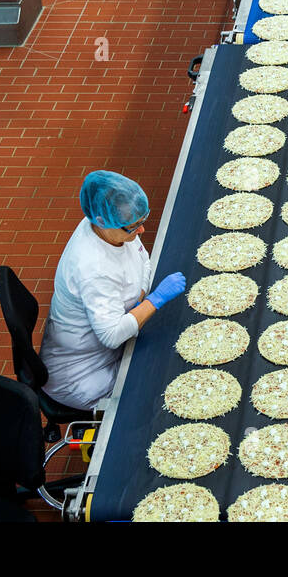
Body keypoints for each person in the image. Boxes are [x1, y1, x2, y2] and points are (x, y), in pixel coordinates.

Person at [39, 170, 186, 409]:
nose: (141, 232)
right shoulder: (93, 267)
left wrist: (138, 299)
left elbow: (141, 259)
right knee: (156, 389)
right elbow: (112, 335)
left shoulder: (112, 225)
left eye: (143, 221)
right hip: (84, 374)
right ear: (101, 222)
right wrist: (155, 299)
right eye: (133, 227)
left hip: (111, 346)